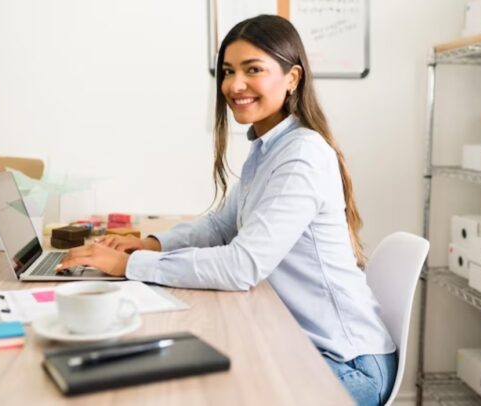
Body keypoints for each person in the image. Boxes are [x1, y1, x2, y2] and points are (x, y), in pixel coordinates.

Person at [57, 14, 397, 406]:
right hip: (301, 344)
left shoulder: (301, 156)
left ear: (292, 78)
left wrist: (127, 267)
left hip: (346, 365)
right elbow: (221, 227)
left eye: (253, 69)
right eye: (228, 71)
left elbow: (241, 266)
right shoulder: (269, 148)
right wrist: (148, 245)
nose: (234, 85)